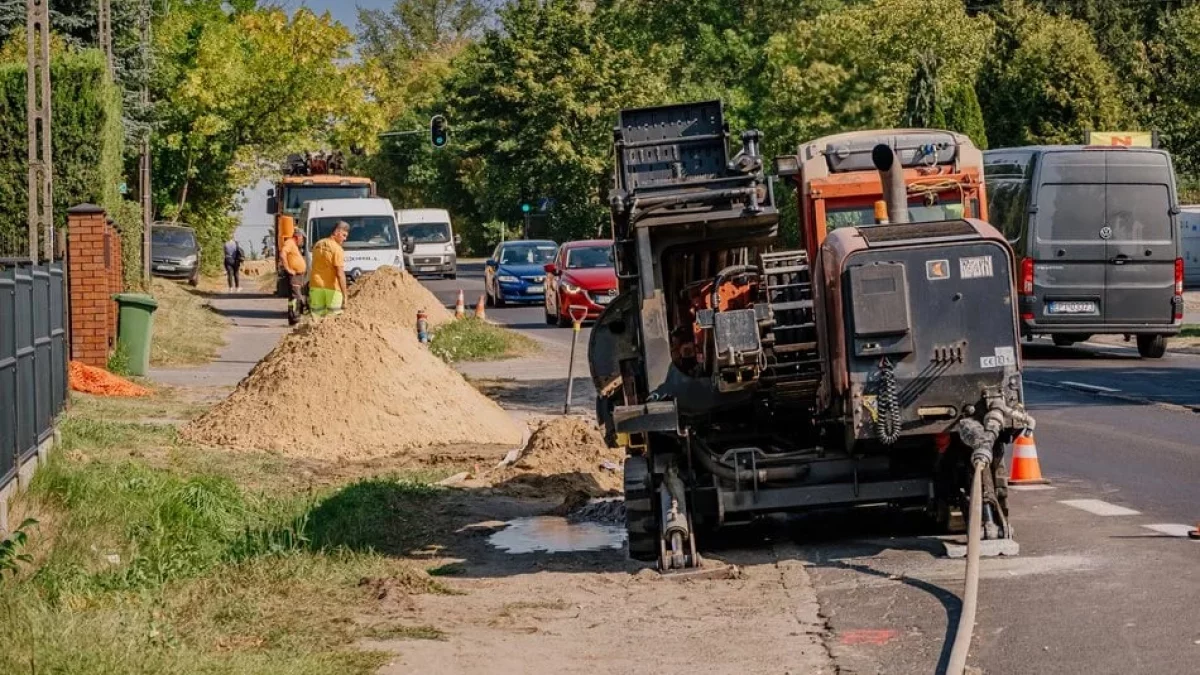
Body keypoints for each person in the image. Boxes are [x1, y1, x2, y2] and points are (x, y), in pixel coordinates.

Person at [308, 221, 349, 318]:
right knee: (332, 320)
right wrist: (345, 294)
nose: (345, 238)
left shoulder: (318, 244)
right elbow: (340, 273)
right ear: (337, 232)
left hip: (315, 286)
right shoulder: (337, 249)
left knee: (316, 318)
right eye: (344, 235)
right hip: (332, 288)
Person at [280, 230, 307, 325]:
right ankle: (295, 318)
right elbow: (282, 254)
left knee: (294, 298)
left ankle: (293, 318)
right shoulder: (289, 243)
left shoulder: (294, 245)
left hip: (298, 276)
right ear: (297, 237)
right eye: (302, 239)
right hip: (294, 276)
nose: (302, 241)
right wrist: (288, 269)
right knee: (296, 297)